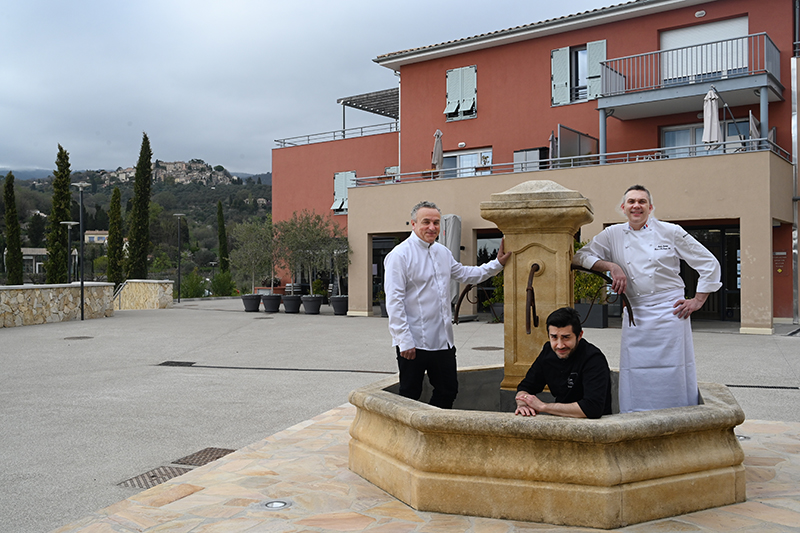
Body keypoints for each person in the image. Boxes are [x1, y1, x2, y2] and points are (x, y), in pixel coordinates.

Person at [573, 185, 721, 413]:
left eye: (642, 201)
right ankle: (635, 416)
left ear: (650, 207)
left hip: (670, 311)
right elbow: (581, 256)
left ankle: (679, 415)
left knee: (674, 369)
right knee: (636, 370)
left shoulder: (671, 231)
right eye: (631, 201)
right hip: (636, 313)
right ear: (623, 208)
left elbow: (708, 263)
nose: (636, 205)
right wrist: (612, 266)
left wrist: (698, 300)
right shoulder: (613, 234)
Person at [384, 200, 511, 409]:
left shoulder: (442, 252)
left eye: (436, 222)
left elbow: (465, 274)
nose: (432, 227)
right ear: (413, 224)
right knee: (409, 395)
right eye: (426, 222)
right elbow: (394, 301)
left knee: (448, 390)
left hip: (443, 341)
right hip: (413, 341)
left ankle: (433, 430)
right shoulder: (399, 255)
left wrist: (497, 264)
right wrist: (403, 340)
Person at [515, 307, 612, 419]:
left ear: (579, 335)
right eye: (554, 337)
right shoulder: (548, 352)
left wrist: (543, 407)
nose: (560, 345)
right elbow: (526, 386)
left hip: (595, 427)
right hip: (561, 422)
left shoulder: (593, 359)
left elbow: (592, 408)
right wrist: (522, 403)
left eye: (566, 337)